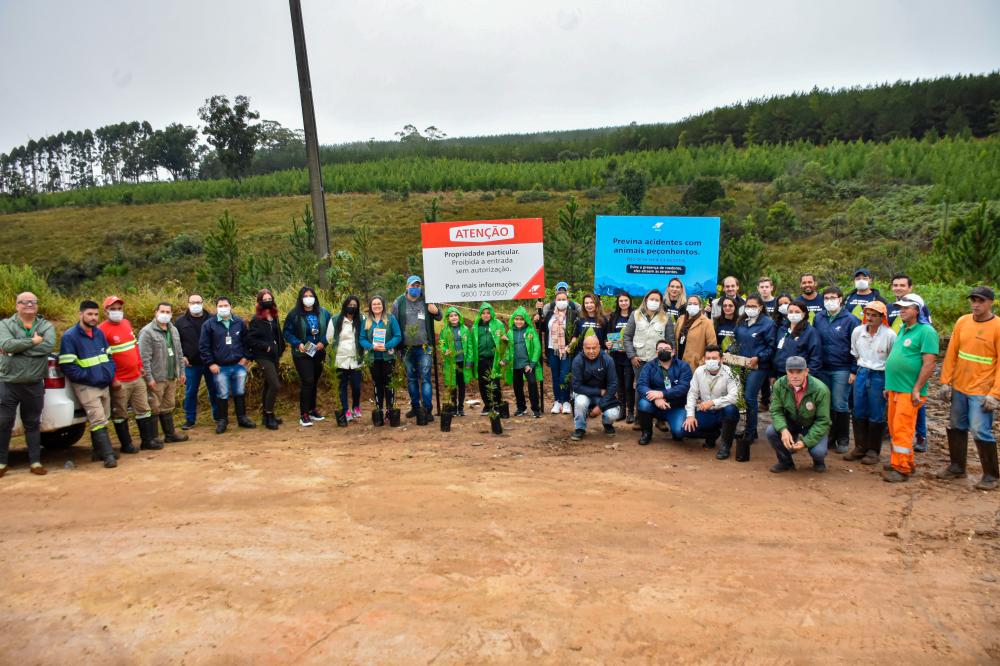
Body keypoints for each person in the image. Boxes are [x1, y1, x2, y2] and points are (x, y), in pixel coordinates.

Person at [937, 286, 1000, 490]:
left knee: (980, 430)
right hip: (960, 386)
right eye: (973, 300)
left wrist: (995, 394)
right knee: (956, 425)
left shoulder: (997, 327)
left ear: (991, 302)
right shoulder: (963, 321)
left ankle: (991, 475)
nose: (976, 304)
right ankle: (957, 466)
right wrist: (946, 381)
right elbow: (952, 352)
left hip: (982, 389)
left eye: (981, 301)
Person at [882, 294, 938, 483]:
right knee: (893, 427)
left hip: (909, 390)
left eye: (906, 307)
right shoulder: (904, 329)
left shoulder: (926, 331)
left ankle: (902, 468)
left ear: (918, 310)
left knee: (902, 428)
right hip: (895, 388)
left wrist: (917, 388)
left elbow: (929, 363)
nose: (901, 310)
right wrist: (888, 385)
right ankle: (900, 461)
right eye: (900, 307)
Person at [0, 292, 55, 476]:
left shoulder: (45, 325)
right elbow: (7, 345)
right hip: (9, 383)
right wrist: (33, 341)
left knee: (32, 424)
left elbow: (48, 347)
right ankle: (1, 463)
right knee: (4, 423)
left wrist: (18, 350)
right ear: (17, 306)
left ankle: (35, 462)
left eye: (33, 302)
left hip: (34, 383)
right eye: (24, 302)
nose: (29, 305)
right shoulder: (5, 324)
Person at [98, 295, 160, 454]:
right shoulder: (101, 330)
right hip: (120, 380)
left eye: (119, 309)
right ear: (106, 311)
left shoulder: (126, 323)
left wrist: (140, 366)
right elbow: (104, 358)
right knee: (120, 412)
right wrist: (113, 379)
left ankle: (147, 441)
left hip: (136, 376)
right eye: (113, 309)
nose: (117, 312)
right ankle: (126, 444)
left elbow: (134, 346)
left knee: (143, 408)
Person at [58, 301, 117, 468]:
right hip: (86, 385)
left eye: (96, 314)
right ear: (81, 314)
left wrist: (109, 374)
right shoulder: (70, 337)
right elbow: (68, 366)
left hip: (103, 383)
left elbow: (109, 356)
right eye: (90, 314)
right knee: (97, 418)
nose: (93, 318)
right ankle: (108, 456)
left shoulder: (99, 334)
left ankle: (98, 452)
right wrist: (89, 377)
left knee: (104, 418)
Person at [844, 301, 895, 465]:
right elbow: (855, 353)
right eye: (868, 314)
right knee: (858, 409)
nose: (870, 318)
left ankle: (873, 450)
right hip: (862, 371)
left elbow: (892, 359)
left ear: (882, 317)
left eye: (874, 315)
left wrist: (888, 383)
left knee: (877, 411)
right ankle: (860, 446)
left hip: (880, 373)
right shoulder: (858, 331)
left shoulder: (889, 335)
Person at [812, 286, 860, 454]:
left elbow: (856, 347)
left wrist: (854, 370)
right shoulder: (818, 318)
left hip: (842, 368)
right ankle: (830, 436)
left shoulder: (851, 320)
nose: (829, 301)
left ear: (840, 299)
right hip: (823, 368)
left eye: (833, 297)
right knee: (826, 403)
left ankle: (843, 437)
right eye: (826, 298)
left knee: (840, 402)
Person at [888, 273, 932, 451]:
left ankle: (920, 437)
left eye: (902, 285)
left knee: (913, 411)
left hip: (911, 382)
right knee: (897, 421)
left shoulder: (924, 326)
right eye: (895, 285)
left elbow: (928, 358)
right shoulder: (895, 312)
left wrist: (918, 385)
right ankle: (899, 457)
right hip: (896, 381)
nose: (898, 288)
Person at [199, 296, 255, 434]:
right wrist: (211, 363)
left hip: (238, 365)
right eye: (220, 306)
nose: (223, 308)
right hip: (220, 367)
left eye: (225, 305)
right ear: (216, 307)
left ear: (231, 306)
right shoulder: (209, 324)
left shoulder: (239, 322)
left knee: (239, 392)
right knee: (222, 393)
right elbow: (203, 346)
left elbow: (247, 341)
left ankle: (242, 418)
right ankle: (223, 420)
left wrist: (246, 357)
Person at [768, 356, 832, 474]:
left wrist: (805, 442)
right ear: (786, 372)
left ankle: (818, 461)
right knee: (771, 431)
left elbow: (823, 421)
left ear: (806, 372)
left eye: (799, 371)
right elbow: (776, 411)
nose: (795, 375)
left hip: (812, 425)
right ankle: (785, 462)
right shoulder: (779, 385)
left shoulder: (821, 389)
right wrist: (783, 429)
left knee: (818, 452)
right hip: (791, 422)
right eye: (791, 372)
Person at [392, 276, 442, 420]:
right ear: (407, 287)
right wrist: (396, 347)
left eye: (418, 285)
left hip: (424, 347)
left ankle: (427, 409)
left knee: (425, 378)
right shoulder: (399, 303)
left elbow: (439, 317)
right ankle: (415, 407)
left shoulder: (426, 299)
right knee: (412, 379)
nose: (416, 288)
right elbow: (393, 324)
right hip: (406, 348)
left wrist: (435, 311)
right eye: (413, 285)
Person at [623, 289, 675, 428]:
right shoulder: (635, 315)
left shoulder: (666, 317)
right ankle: (640, 418)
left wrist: (669, 358)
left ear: (660, 302)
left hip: (659, 360)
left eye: (657, 300)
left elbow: (670, 340)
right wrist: (632, 355)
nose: (654, 302)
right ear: (646, 300)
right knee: (641, 388)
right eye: (651, 299)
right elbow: (627, 337)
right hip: (639, 359)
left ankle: (660, 419)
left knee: (661, 386)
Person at [138, 302, 188, 444]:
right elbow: (144, 358)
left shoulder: (174, 330)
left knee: (168, 405)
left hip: (171, 375)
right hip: (156, 377)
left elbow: (179, 352)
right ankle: (153, 437)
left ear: (171, 314)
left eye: (168, 312)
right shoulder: (147, 332)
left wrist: (181, 372)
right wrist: (149, 378)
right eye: (162, 311)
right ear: (156, 312)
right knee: (154, 406)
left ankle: (170, 434)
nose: (165, 314)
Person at [284, 286, 331, 426]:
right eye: (305, 296)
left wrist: (324, 342)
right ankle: (304, 413)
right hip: (302, 353)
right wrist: (298, 343)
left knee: (314, 381)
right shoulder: (294, 314)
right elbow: (287, 332)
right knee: (307, 380)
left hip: (318, 351)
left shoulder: (323, 313)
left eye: (311, 295)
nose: (308, 298)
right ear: (301, 298)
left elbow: (331, 329)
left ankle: (312, 409)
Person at [732, 294, 776, 446]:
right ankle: (750, 429)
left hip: (759, 366)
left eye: (753, 306)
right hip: (742, 364)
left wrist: (759, 356)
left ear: (761, 307)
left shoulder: (768, 324)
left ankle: (750, 432)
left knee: (750, 397)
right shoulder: (742, 322)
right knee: (743, 398)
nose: (750, 309)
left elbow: (771, 347)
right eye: (748, 306)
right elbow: (736, 342)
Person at [683, 344, 741, 457]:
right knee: (684, 429)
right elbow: (692, 394)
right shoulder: (699, 372)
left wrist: (713, 402)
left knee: (731, 410)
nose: (711, 361)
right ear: (704, 359)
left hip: (722, 412)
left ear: (721, 359)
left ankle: (725, 446)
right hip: (706, 412)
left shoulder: (730, 373)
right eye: (708, 358)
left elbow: (735, 397)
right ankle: (712, 434)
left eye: (714, 358)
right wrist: (690, 416)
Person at [635, 339, 691, 445]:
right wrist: (656, 398)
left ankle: (675, 429)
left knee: (679, 432)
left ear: (673, 352)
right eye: (660, 349)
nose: (663, 351)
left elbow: (684, 387)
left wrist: (662, 394)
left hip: (676, 406)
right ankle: (646, 433)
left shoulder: (683, 366)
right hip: (654, 405)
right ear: (656, 352)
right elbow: (641, 385)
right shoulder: (649, 366)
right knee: (643, 404)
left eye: (666, 349)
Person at [175, 293, 219, 430]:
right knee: (190, 392)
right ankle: (190, 419)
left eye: (198, 302)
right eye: (193, 302)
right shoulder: (180, 322)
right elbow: (176, 342)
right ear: (188, 304)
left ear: (203, 303)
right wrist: (181, 356)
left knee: (214, 390)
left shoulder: (212, 318)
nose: (196, 305)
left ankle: (218, 417)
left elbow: (218, 338)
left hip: (210, 363)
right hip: (191, 364)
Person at [245, 289, 285, 430]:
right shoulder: (256, 320)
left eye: (270, 299)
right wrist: (265, 346)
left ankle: (267, 415)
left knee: (269, 385)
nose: (268, 301)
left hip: (275, 356)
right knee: (275, 385)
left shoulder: (274, 317)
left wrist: (281, 348)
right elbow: (250, 338)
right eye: (265, 299)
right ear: (260, 302)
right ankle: (268, 415)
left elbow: (277, 334)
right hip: (263, 357)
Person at [570, 336, 620, 440]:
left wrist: (600, 407)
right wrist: (598, 391)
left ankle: (607, 423)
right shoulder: (577, 360)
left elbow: (613, 385)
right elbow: (576, 386)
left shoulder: (608, 360)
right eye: (588, 348)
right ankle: (580, 428)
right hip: (584, 393)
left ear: (599, 347)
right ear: (583, 348)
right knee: (580, 403)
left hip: (603, 395)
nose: (591, 351)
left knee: (613, 413)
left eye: (594, 348)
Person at [361, 295, 402, 424]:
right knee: (377, 384)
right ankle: (379, 410)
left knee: (389, 384)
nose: (377, 306)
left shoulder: (390, 318)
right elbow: (361, 338)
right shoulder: (366, 321)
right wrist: (371, 346)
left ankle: (390, 411)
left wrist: (387, 345)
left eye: (379, 304)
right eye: (374, 304)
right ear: (370, 307)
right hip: (373, 358)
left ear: (383, 305)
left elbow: (398, 335)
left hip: (388, 357)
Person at [327, 295, 364, 425]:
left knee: (356, 386)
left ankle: (356, 406)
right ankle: (346, 409)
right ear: (344, 305)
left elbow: (364, 336)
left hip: (356, 358)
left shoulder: (361, 319)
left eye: (355, 306)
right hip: (340, 359)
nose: (352, 307)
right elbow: (329, 339)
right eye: (350, 305)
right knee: (342, 386)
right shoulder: (336, 319)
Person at [503, 306, 543, 417]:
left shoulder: (530, 331)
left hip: (527, 364)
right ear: (513, 320)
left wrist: (532, 364)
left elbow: (537, 348)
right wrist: (505, 360)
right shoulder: (510, 332)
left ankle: (535, 409)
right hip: (515, 364)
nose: (519, 321)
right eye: (516, 319)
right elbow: (507, 349)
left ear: (525, 320)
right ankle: (521, 408)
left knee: (532, 384)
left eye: (521, 319)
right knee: (517, 386)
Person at [469, 302, 507, 414]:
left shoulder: (498, 324)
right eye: (483, 313)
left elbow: (503, 343)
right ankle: (487, 405)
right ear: (480, 314)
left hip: (494, 359)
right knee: (483, 383)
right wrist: (471, 359)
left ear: (491, 313)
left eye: (488, 313)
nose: (486, 315)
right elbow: (472, 343)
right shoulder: (476, 326)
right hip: (481, 359)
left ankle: (497, 404)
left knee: (495, 382)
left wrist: (503, 357)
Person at [543, 291, 576, 414]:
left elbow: (575, 331)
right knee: (555, 376)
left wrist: (571, 345)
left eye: (564, 299)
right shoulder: (550, 314)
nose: (561, 301)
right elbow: (543, 327)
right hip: (552, 349)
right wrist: (537, 318)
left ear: (567, 300)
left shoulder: (572, 314)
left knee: (565, 376)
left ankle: (566, 401)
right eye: (559, 299)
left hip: (566, 349)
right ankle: (557, 401)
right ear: (555, 301)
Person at [772, 300, 823, 381]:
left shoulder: (810, 332)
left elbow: (815, 357)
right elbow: (776, 352)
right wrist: (773, 374)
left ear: (804, 314)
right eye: (790, 311)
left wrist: (808, 376)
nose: (793, 314)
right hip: (781, 374)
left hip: (799, 376)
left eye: (797, 312)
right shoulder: (782, 330)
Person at [605, 293, 635, 423]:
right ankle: (622, 410)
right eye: (621, 301)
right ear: (618, 302)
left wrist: (630, 348)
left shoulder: (635, 315)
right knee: (619, 384)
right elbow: (608, 334)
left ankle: (631, 412)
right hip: (616, 356)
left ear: (630, 301)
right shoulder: (613, 316)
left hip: (629, 356)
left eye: (626, 300)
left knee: (629, 385)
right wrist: (608, 342)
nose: (623, 303)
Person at [438, 306, 472, 416]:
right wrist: (444, 350)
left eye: (455, 315)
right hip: (450, 362)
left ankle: (461, 408)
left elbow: (470, 346)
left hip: (462, 361)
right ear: (448, 318)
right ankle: (453, 407)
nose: (454, 317)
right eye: (451, 316)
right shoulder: (444, 331)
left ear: (459, 316)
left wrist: (469, 360)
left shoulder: (465, 329)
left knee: (462, 384)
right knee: (452, 384)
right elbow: (441, 344)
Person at [674, 295, 716, 369]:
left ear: (700, 306)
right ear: (686, 306)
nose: (692, 306)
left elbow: (712, 346)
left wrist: (702, 363)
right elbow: (675, 339)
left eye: (695, 304)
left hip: (694, 366)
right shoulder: (681, 319)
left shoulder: (707, 323)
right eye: (690, 304)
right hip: (677, 362)